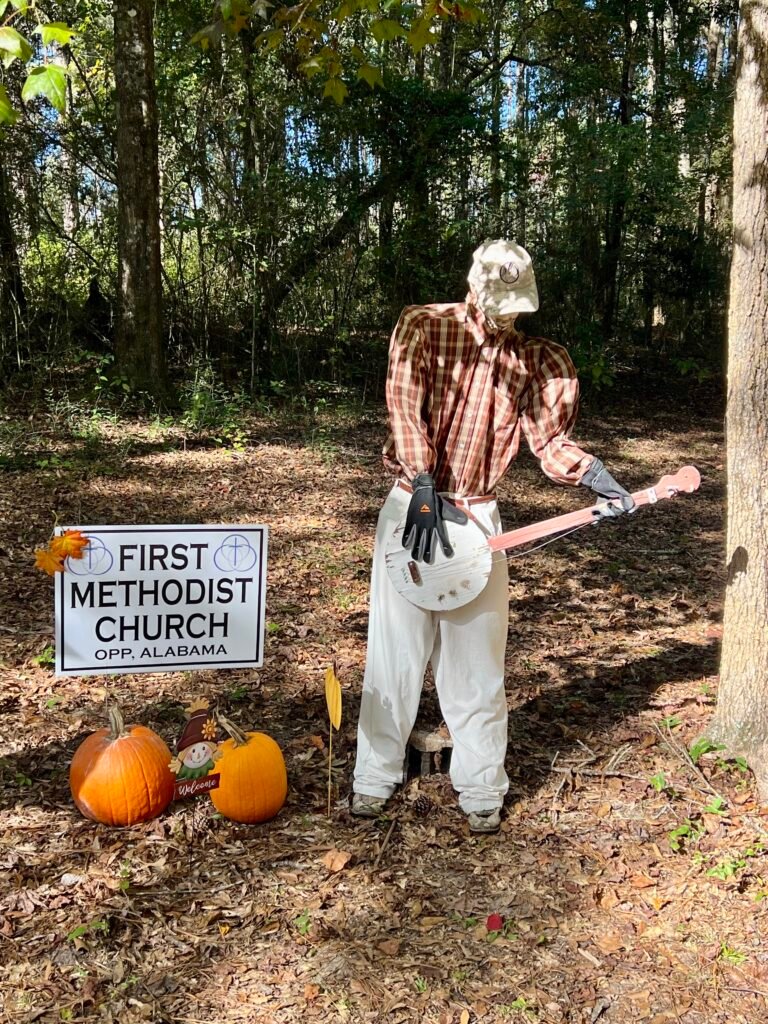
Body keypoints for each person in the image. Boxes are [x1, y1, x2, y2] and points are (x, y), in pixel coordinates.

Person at [351, 240, 634, 833]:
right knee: (395, 657)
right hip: (415, 506)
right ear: (475, 286)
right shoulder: (425, 327)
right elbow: (404, 406)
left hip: (478, 518)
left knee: (477, 666)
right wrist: (422, 480)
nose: (506, 315)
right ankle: (373, 779)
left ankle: (481, 788)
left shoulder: (535, 360)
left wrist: (596, 478)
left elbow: (549, 440)